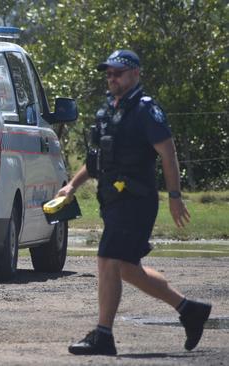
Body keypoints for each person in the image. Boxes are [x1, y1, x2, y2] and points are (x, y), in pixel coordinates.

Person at [59, 50, 212, 356]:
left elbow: (168, 154)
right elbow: (97, 160)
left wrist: (175, 196)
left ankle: (103, 335)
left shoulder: (146, 111)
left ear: (135, 75)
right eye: (109, 73)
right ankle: (189, 309)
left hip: (135, 200)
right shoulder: (109, 112)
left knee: (106, 259)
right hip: (112, 200)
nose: (112, 77)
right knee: (127, 269)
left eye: (118, 72)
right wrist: (72, 185)